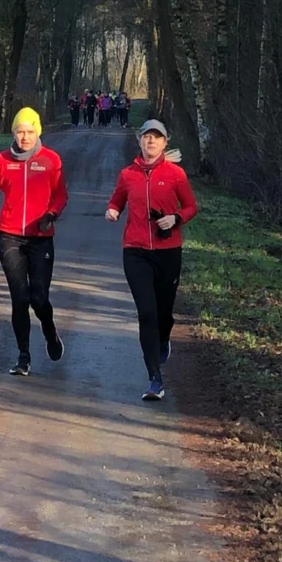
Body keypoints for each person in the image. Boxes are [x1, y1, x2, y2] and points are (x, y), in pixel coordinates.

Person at [105, 119, 197, 400]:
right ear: (140, 141)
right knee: (146, 313)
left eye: (157, 137)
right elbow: (117, 200)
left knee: (163, 313)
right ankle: (154, 378)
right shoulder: (127, 174)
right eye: (147, 137)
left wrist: (176, 218)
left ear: (165, 143)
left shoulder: (175, 174)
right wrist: (112, 210)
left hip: (168, 251)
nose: (151, 141)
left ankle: (164, 336)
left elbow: (191, 206)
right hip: (135, 251)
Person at [0, 108, 68, 376]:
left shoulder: (51, 160)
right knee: (19, 298)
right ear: (14, 133)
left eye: (30, 132)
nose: (25, 137)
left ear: (38, 132)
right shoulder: (1, 160)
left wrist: (51, 215)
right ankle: (23, 356)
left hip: (41, 238)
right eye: (20, 132)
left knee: (39, 298)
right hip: (10, 237)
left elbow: (61, 196)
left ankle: (50, 331)